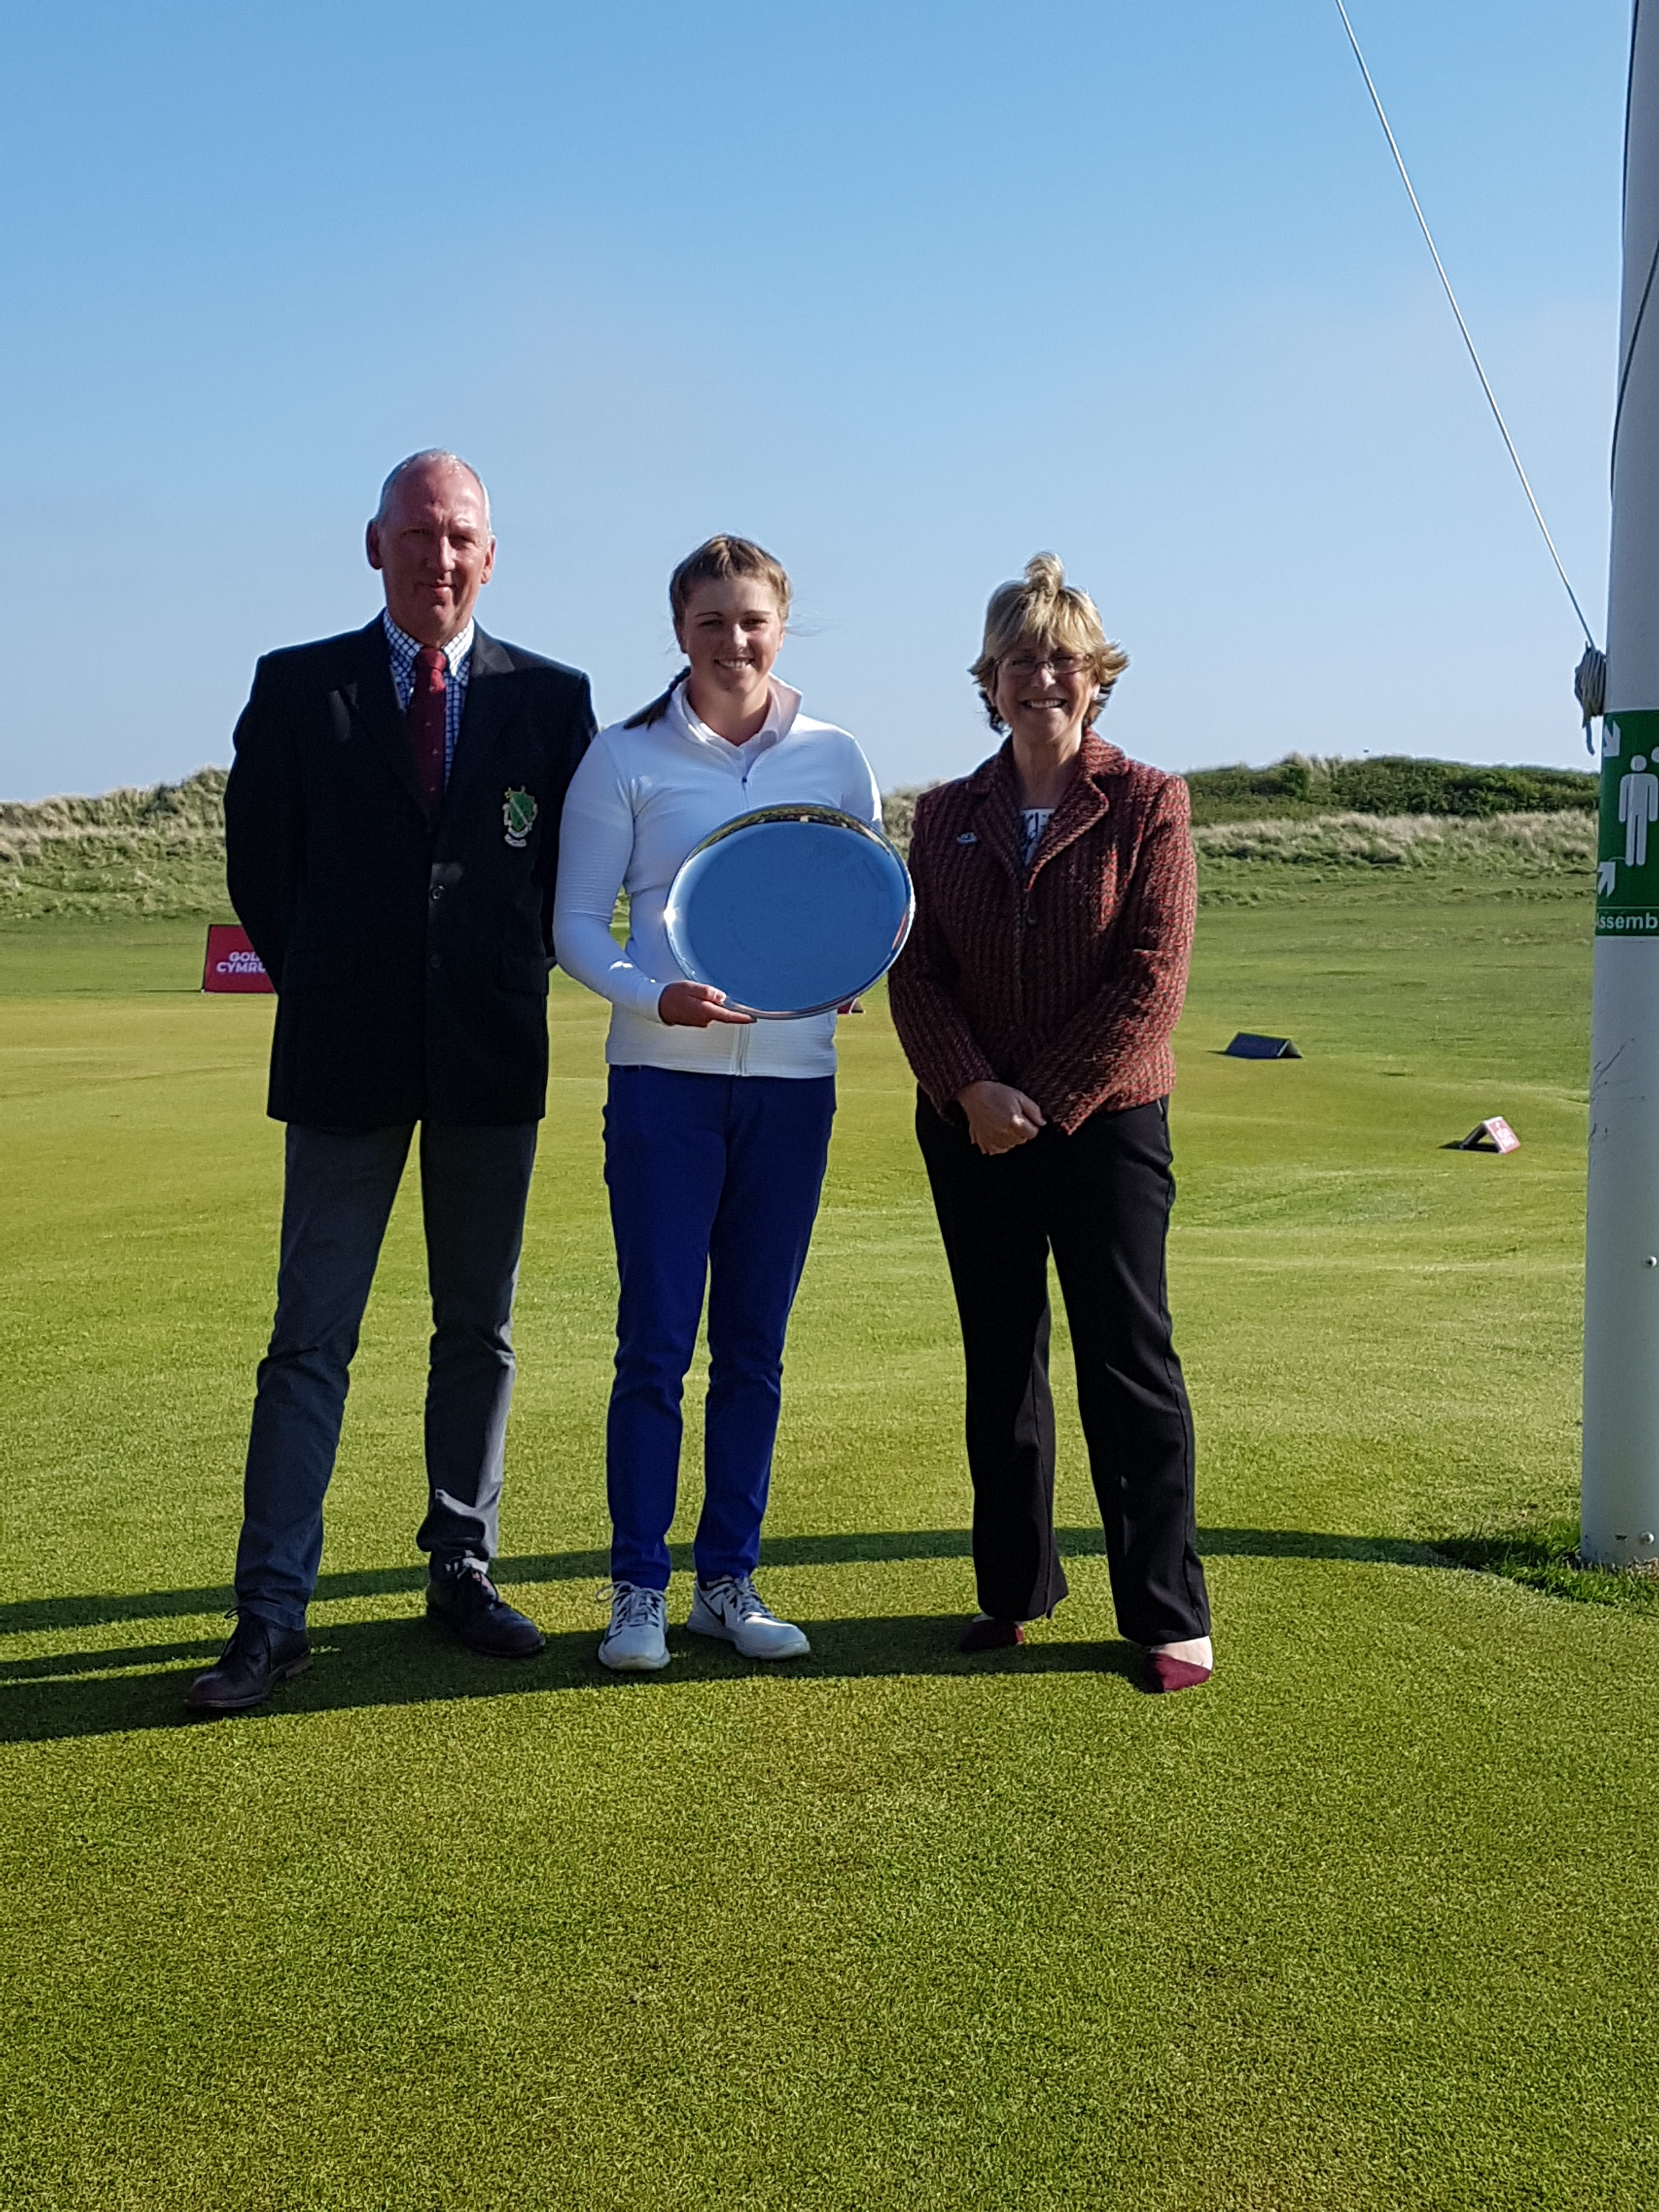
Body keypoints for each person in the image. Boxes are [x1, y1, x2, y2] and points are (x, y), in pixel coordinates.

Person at [187, 451, 596, 1716]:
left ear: (491, 552)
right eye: (418, 535)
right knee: (309, 1340)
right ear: (376, 547)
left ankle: (460, 1569)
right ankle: (272, 1613)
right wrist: (343, 974)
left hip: (486, 1053)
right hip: (343, 1054)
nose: (441, 556)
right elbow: (266, 869)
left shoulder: (554, 701)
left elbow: (566, 880)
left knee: (479, 1330)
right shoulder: (296, 687)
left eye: (462, 535)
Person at [554, 535, 881, 1672]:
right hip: (662, 1084)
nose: (733, 642)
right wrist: (659, 998)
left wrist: (842, 973)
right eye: (710, 623)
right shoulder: (624, 757)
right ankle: (638, 1590)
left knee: (754, 1350)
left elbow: (855, 902)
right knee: (653, 1346)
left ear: (780, 625)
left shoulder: (837, 757)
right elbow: (575, 929)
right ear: (678, 630)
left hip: (794, 1091)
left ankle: (727, 1586)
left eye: (751, 621)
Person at [888, 554, 1213, 1693]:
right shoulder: (947, 815)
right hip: (971, 1126)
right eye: (1020, 660)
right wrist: (974, 1093)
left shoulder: (1148, 802)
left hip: (1108, 1127)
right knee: (1001, 1363)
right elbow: (916, 974)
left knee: (1128, 1362)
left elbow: (1152, 975)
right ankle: (1012, 1590)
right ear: (991, 678)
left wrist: (1047, 1104)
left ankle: (1168, 1614)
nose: (1042, 679)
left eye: (1062, 660)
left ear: (1097, 676)